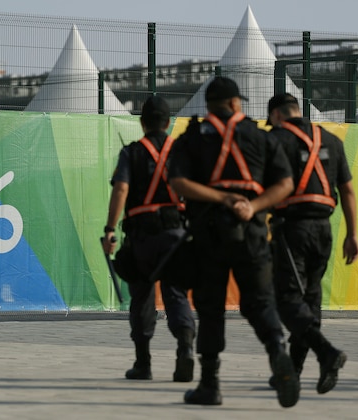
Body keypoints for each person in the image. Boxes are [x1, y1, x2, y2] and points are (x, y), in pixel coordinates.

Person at [167, 77, 299, 408]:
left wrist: (221, 198)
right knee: (259, 302)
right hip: (252, 231)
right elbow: (285, 184)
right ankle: (277, 351)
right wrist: (250, 205)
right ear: (236, 103)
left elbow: (178, 182)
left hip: (209, 234)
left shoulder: (193, 137)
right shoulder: (261, 137)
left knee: (210, 308)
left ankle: (210, 385)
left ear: (209, 106)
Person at [266, 93, 358, 394]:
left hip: (292, 229)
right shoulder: (330, 139)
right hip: (324, 230)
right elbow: (347, 191)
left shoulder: (276, 139)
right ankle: (292, 370)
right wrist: (352, 235)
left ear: (278, 115)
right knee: (310, 301)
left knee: (288, 300)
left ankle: (327, 353)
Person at [102, 95, 196, 383]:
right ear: (168, 124)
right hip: (176, 235)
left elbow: (120, 191)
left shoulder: (132, 153)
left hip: (142, 237)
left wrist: (110, 230)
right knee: (176, 293)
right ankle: (185, 348)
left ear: (142, 123)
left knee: (142, 297)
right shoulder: (181, 152)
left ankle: (143, 362)